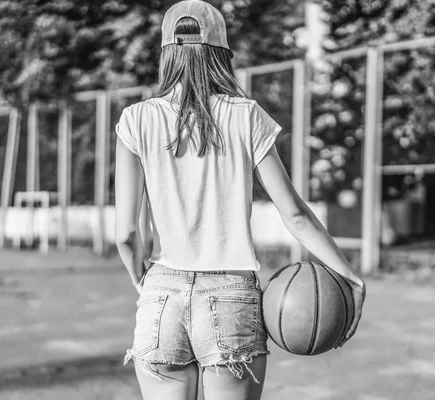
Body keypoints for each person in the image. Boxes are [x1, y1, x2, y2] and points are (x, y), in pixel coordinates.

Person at [114, 1, 366, 399]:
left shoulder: (136, 119)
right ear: (222, 54)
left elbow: (127, 232)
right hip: (230, 294)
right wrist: (350, 277)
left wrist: (141, 279)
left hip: (160, 294)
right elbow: (296, 216)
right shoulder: (246, 116)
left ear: (167, 53)